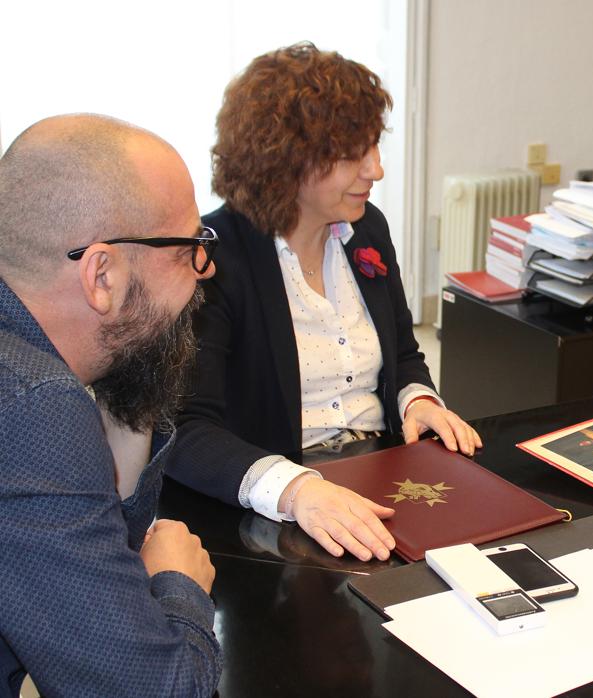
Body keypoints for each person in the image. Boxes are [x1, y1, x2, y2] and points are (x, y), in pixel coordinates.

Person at [168, 43, 480, 563]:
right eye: (354, 153)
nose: (376, 170)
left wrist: (417, 401)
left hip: (379, 476)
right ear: (287, 159)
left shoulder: (367, 229)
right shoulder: (214, 256)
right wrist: (300, 491)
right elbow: (185, 430)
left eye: (375, 147)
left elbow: (403, 351)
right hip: (277, 507)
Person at [0, 115, 221, 696]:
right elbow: (159, 689)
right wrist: (179, 583)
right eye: (188, 249)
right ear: (102, 274)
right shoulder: (35, 406)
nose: (207, 269)